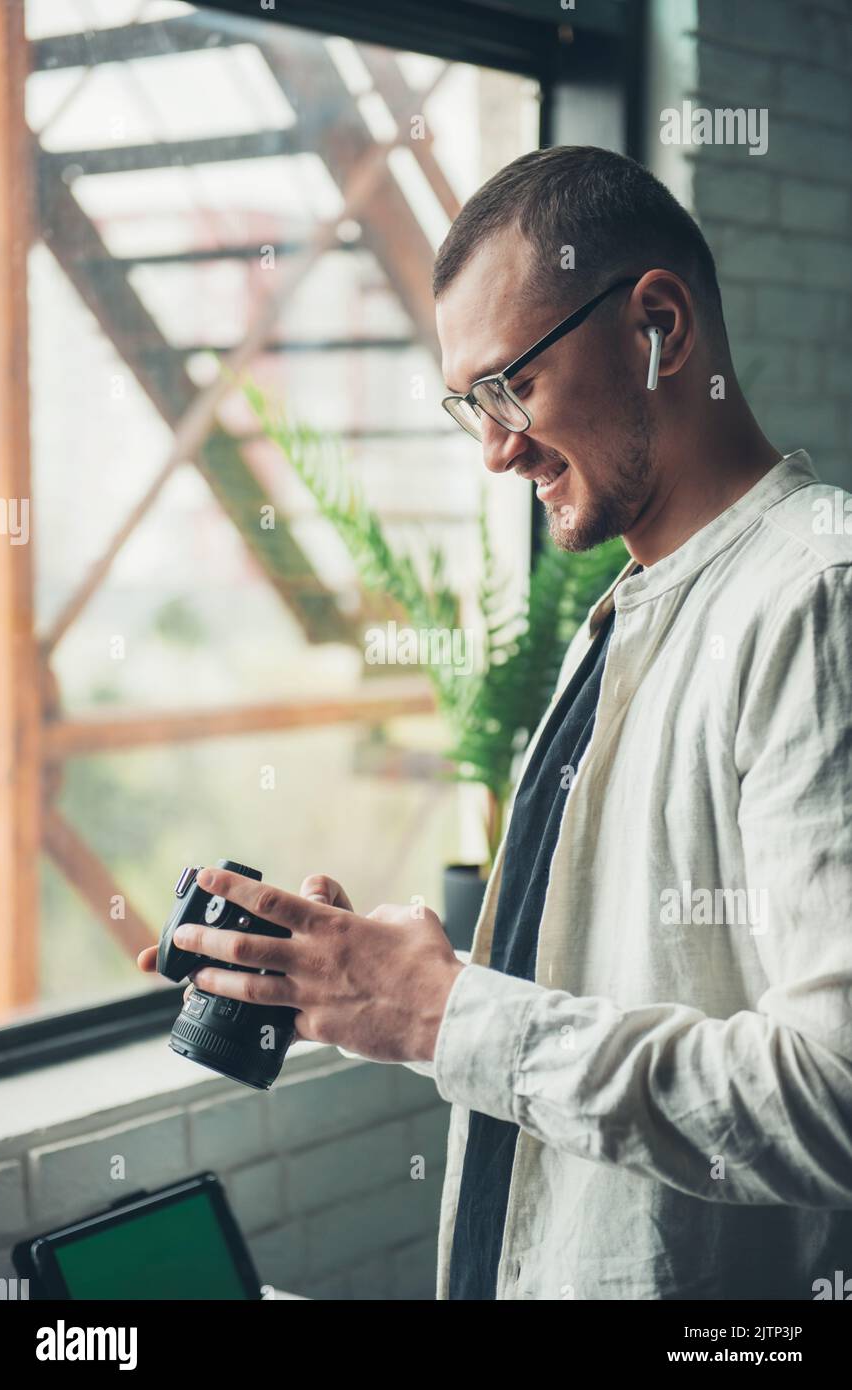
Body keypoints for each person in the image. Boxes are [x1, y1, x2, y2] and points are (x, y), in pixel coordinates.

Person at [138, 146, 852, 1301]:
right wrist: (372, 981)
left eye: (509, 385)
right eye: (468, 402)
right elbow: (639, 994)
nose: (492, 446)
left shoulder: (815, 594)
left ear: (654, 324)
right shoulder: (618, 621)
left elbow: (833, 1096)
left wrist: (444, 1013)